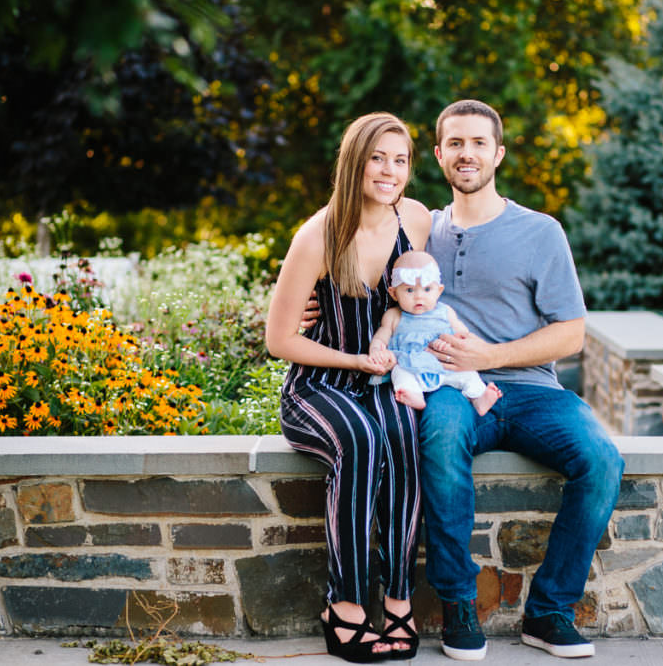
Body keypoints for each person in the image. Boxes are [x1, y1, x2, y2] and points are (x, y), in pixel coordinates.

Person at [420, 100, 625, 660]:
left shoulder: (540, 231)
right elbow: (365, 275)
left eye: (478, 143)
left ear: (498, 154)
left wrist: (490, 356)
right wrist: (311, 310)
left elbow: (571, 334)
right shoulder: (421, 231)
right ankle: (459, 605)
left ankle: (549, 612)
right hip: (453, 392)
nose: (467, 154)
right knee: (438, 441)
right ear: (439, 155)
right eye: (455, 144)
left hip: (534, 392)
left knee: (602, 460)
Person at [265, 112, 431, 663]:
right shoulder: (318, 235)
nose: (389, 170)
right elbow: (280, 339)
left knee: (406, 433)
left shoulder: (417, 220)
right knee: (360, 439)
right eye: (377, 158)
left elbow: (429, 293)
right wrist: (356, 360)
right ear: (354, 163)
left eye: (400, 159)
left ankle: (399, 600)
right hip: (319, 385)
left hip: (384, 378)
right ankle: (346, 607)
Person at [367, 250, 501, 416]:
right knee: (399, 373)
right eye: (409, 290)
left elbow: (463, 335)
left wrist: (450, 341)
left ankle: (479, 398)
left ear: (439, 290)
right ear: (394, 293)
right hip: (411, 365)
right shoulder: (394, 315)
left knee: (469, 374)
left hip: (444, 365)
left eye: (427, 289)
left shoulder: (445, 311)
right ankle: (413, 395)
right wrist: (377, 351)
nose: (419, 297)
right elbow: (381, 337)